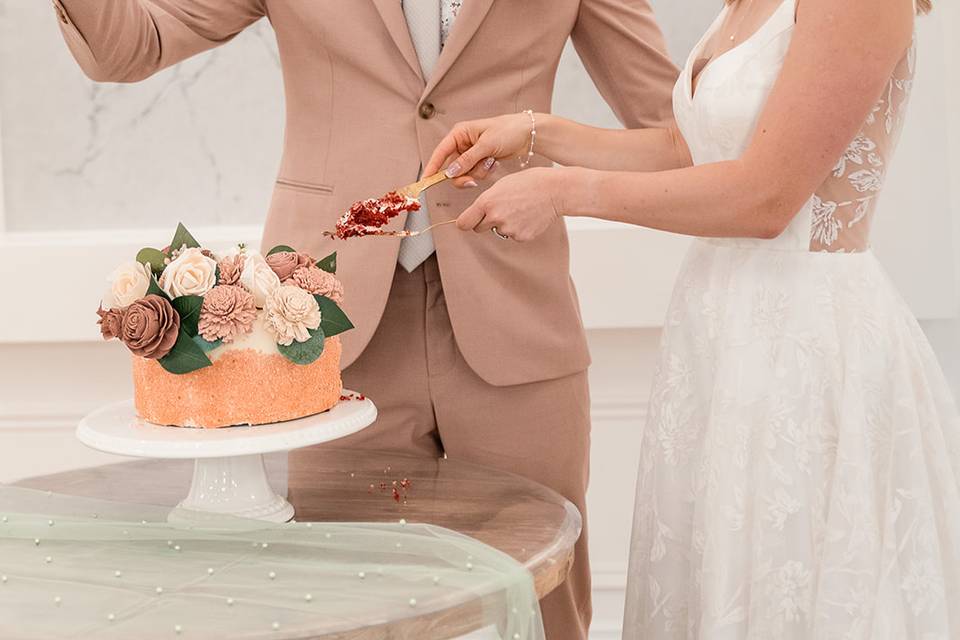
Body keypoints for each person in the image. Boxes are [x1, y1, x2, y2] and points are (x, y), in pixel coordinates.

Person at [50, 1, 679, 636]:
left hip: (519, 320)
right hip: (326, 337)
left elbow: (677, 138)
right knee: (343, 609)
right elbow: (130, 46)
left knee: (546, 610)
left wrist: (556, 164)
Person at [424, 0, 960, 636]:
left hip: (806, 346)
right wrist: (534, 132)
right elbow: (688, 149)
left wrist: (561, 189)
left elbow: (765, 199)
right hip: (717, 338)